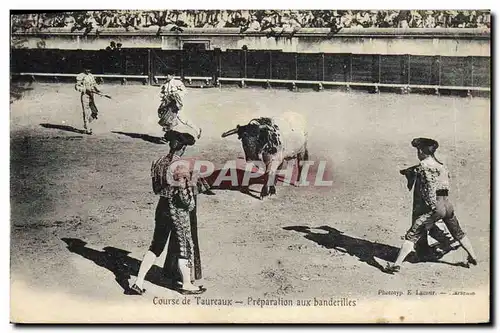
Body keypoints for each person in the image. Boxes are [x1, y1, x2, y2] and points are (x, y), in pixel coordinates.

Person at [385, 138, 478, 274]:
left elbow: (429, 188)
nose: (417, 153)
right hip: (447, 203)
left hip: (436, 205)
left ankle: (396, 264)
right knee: (458, 232)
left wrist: (432, 209)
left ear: (422, 151)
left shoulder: (424, 166)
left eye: (418, 150)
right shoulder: (441, 165)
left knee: (413, 234)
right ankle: (473, 256)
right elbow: (445, 184)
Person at [131, 132, 206, 295]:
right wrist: (191, 204)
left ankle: (138, 281)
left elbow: (155, 188)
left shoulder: (158, 162)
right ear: (183, 147)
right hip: (177, 209)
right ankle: (186, 284)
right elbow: (184, 195)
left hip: (162, 206)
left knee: (156, 245)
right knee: (184, 246)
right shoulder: (180, 166)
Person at [157, 68, 202, 142]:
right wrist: (163, 98)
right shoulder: (165, 84)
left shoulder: (177, 82)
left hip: (176, 104)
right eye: (166, 75)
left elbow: (185, 91)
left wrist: (176, 95)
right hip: (168, 105)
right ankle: (197, 129)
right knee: (174, 119)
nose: (166, 76)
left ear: (172, 75)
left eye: (168, 75)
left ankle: (166, 138)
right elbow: (162, 94)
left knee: (171, 120)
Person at [75, 66, 102, 135]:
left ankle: (86, 124)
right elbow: (77, 86)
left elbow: (94, 85)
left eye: (89, 69)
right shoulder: (80, 76)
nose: (88, 70)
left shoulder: (91, 76)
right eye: (87, 68)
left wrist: (99, 91)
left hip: (91, 95)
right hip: (85, 96)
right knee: (86, 112)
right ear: (84, 68)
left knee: (95, 112)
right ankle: (87, 128)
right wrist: (85, 89)